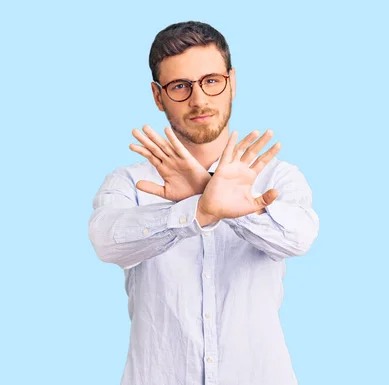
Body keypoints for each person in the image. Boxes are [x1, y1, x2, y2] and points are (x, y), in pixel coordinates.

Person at [88, 21, 319, 385]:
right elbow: (106, 241)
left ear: (232, 82)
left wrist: (214, 195)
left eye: (211, 80)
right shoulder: (130, 182)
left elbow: (298, 238)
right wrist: (198, 209)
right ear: (157, 95)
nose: (199, 100)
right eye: (180, 86)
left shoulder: (279, 177)